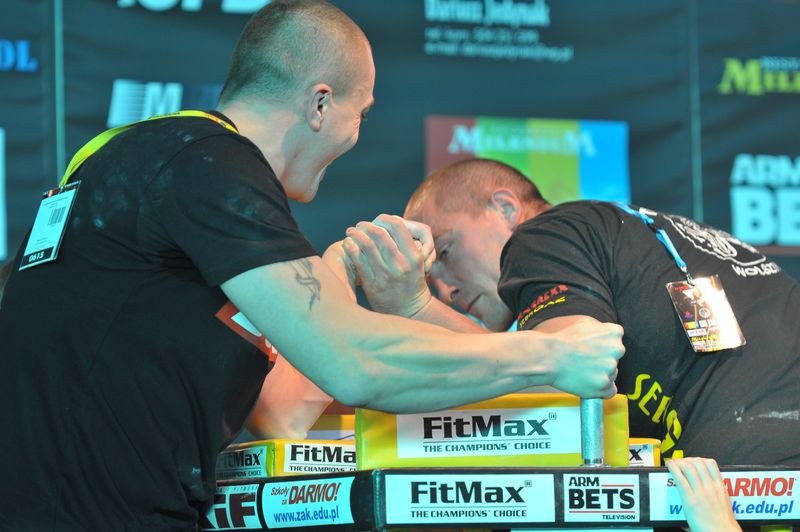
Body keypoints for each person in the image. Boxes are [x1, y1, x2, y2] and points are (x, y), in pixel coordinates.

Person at [0, 3, 625, 530]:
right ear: (320, 104)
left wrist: (331, 282)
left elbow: (281, 413)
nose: (358, 134)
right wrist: (549, 355)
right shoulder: (213, 163)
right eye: (362, 113)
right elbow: (355, 363)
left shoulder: (139, 159)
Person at [340, 157, 800, 467]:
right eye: (431, 282)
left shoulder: (542, 235)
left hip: (753, 475)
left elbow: (559, 376)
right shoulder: (645, 238)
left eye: (445, 251)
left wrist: (413, 308)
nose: (444, 287)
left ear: (504, 207)